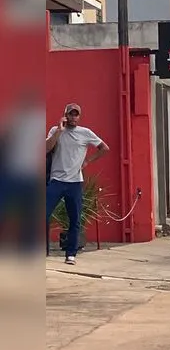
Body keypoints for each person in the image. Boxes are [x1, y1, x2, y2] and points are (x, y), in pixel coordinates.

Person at [45, 103, 109, 265]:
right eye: (71, 114)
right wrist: (59, 131)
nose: (73, 117)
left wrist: (88, 160)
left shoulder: (85, 133)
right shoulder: (55, 130)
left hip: (74, 182)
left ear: (79, 117)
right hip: (56, 181)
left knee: (75, 219)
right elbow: (46, 148)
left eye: (76, 115)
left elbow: (104, 148)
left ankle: (70, 254)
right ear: (65, 115)